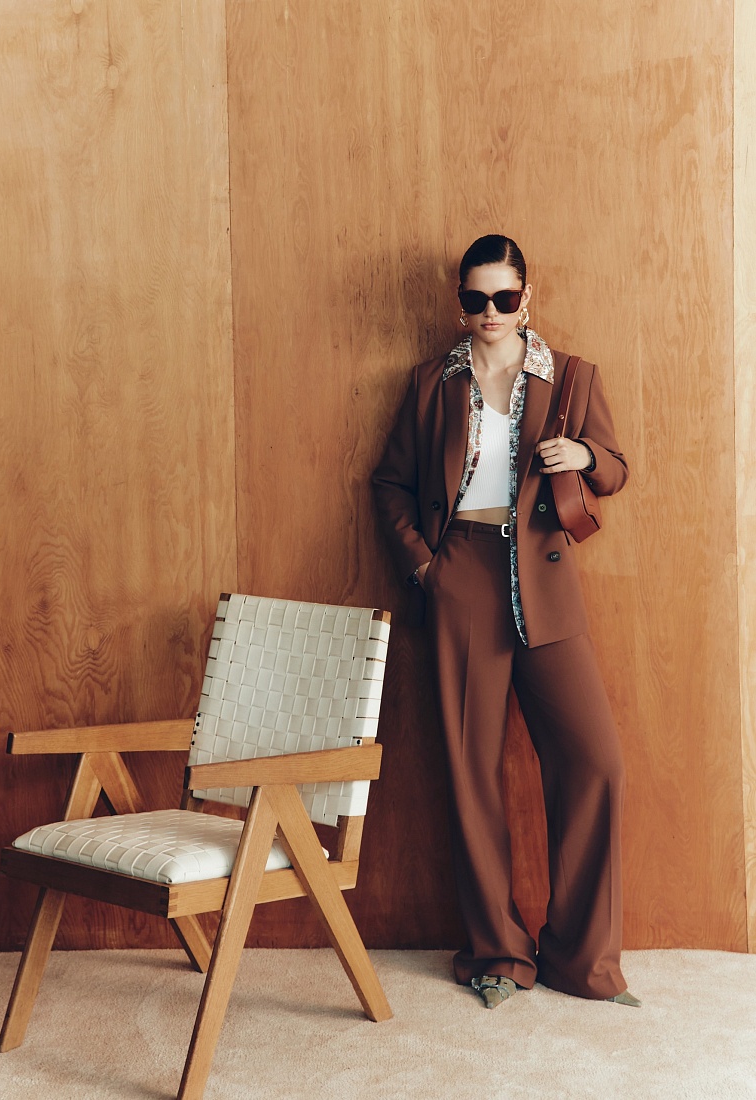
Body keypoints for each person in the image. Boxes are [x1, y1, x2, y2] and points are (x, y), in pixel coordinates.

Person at [373, 234, 639, 1008]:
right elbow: (387, 483)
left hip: (544, 580)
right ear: (459, 302)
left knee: (595, 762)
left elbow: (615, 468)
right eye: (474, 298)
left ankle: (582, 960)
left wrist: (583, 457)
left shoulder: (571, 377)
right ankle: (497, 953)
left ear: (527, 296)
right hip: (460, 575)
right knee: (471, 774)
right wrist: (425, 567)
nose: (489, 311)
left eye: (503, 297)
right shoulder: (431, 383)